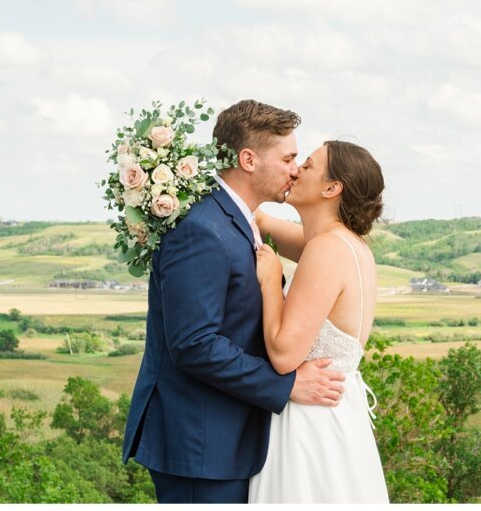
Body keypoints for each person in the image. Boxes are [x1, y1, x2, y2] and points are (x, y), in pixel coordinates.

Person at [121, 100, 347, 504]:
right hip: (200, 446)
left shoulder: (235, 219)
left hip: (227, 442)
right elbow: (194, 344)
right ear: (248, 160)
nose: (295, 169)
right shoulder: (202, 229)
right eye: (288, 158)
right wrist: (288, 384)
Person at [248, 139, 390, 503]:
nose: (296, 170)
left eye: (307, 165)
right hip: (339, 417)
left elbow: (283, 353)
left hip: (311, 425)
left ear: (332, 188)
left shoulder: (327, 250)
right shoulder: (341, 242)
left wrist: (269, 282)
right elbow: (259, 220)